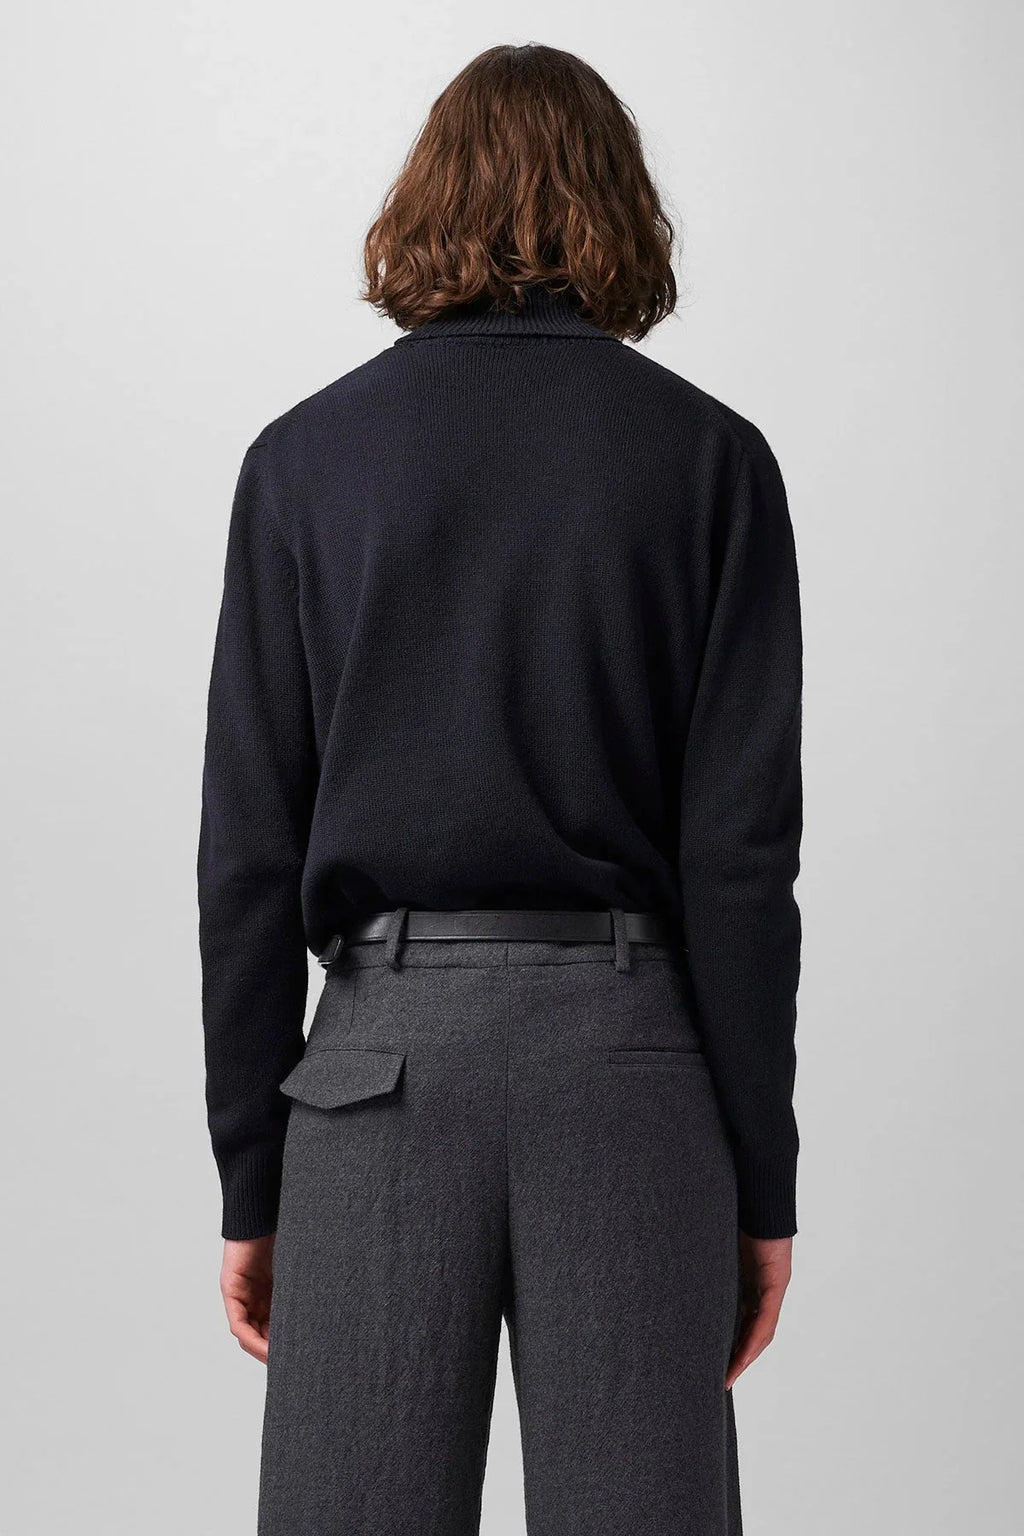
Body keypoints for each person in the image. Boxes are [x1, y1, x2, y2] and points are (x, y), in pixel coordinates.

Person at [197, 41, 802, 1536]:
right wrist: (762, 1177)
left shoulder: (304, 462)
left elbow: (247, 860)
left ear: (429, 198)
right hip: (631, 1073)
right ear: (620, 206)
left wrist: (252, 1177)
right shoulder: (712, 463)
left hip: (374, 1078)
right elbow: (740, 862)